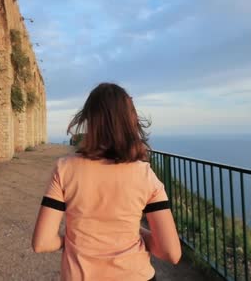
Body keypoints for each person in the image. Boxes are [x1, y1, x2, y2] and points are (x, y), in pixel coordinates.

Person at [31, 83, 181, 281]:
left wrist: (76, 240)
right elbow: (170, 252)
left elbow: (42, 242)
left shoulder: (65, 168)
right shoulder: (144, 174)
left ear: (89, 120)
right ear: (130, 121)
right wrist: (137, 232)